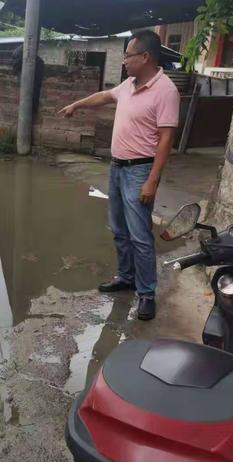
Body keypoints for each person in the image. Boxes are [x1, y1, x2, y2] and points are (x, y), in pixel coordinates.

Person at [58, 30, 180, 321]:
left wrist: (152, 179)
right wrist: (77, 104)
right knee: (118, 229)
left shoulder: (166, 91)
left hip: (140, 171)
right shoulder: (129, 84)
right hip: (116, 168)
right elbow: (104, 96)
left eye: (128, 55)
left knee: (140, 235)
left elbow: (166, 139)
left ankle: (147, 293)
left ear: (145, 57)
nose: (124, 61)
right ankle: (126, 278)